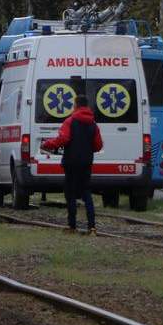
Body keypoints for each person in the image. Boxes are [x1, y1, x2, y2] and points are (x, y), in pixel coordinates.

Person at [40, 95, 104, 235]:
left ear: (76, 105)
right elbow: (98, 145)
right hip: (86, 162)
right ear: (87, 106)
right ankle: (92, 227)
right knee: (86, 192)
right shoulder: (93, 124)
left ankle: (72, 226)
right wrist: (86, 148)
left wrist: (47, 144)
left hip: (71, 162)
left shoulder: (70, 121)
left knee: (70, 193)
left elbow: (63, 139)